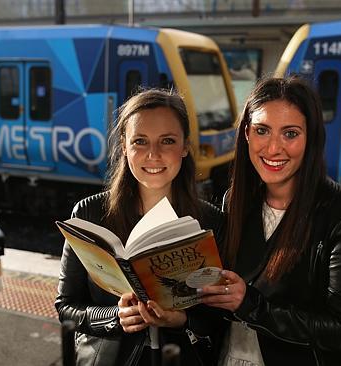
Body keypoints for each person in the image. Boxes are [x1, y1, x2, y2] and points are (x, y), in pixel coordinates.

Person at [199, 75, 341, 365]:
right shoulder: (236, 199)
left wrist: (252, 306)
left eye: (290, 134)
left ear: (312, 138)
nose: (273, 149)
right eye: (262, 131)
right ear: (246, 134)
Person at [55, 89, 224, 366]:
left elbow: (223, 317)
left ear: (185, 146)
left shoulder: (211, 221)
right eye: (140, 141)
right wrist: (114, 317)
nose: (153, 155)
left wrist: (182, 319)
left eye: (167, 141)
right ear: (124, 146)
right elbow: (66, 307)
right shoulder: (88, 214)